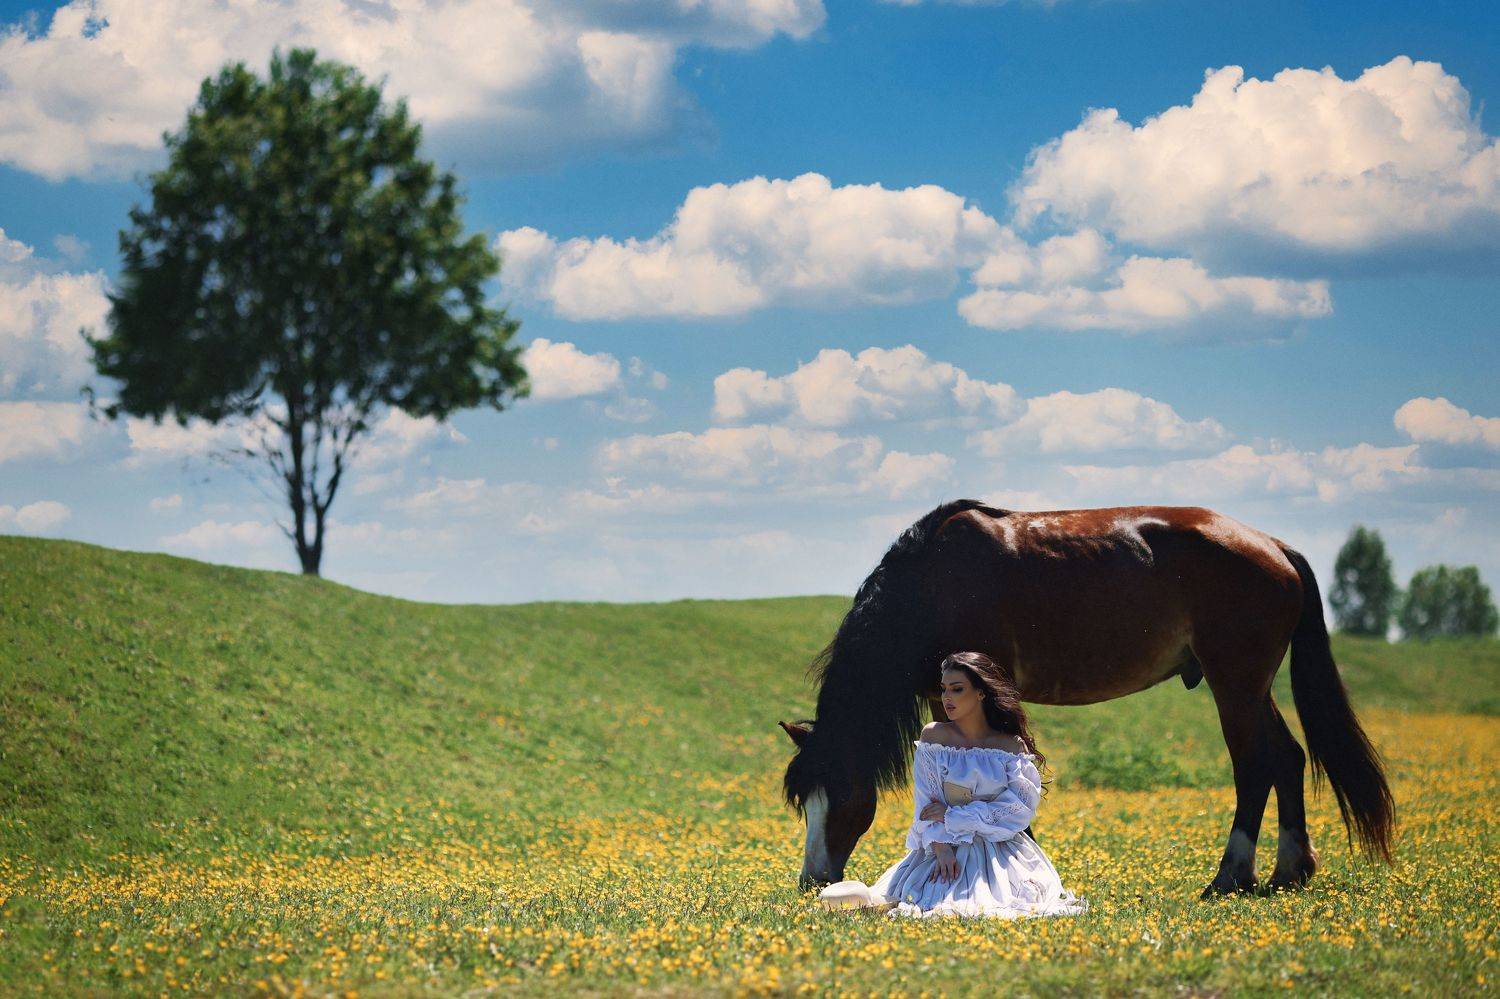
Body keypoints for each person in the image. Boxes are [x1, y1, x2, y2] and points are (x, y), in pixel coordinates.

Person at [818, 651, 1089, 919]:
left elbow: (1018, 810)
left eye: (957, 689)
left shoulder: (1009, 745)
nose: (947, 698)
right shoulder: (935, 736)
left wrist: (954, 815)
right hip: (942, 846)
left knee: (993, 903)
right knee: (925, 896)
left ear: (981, 692)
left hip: (999, 851)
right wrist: (941, 848)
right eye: (944, 689)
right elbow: (926, 803)